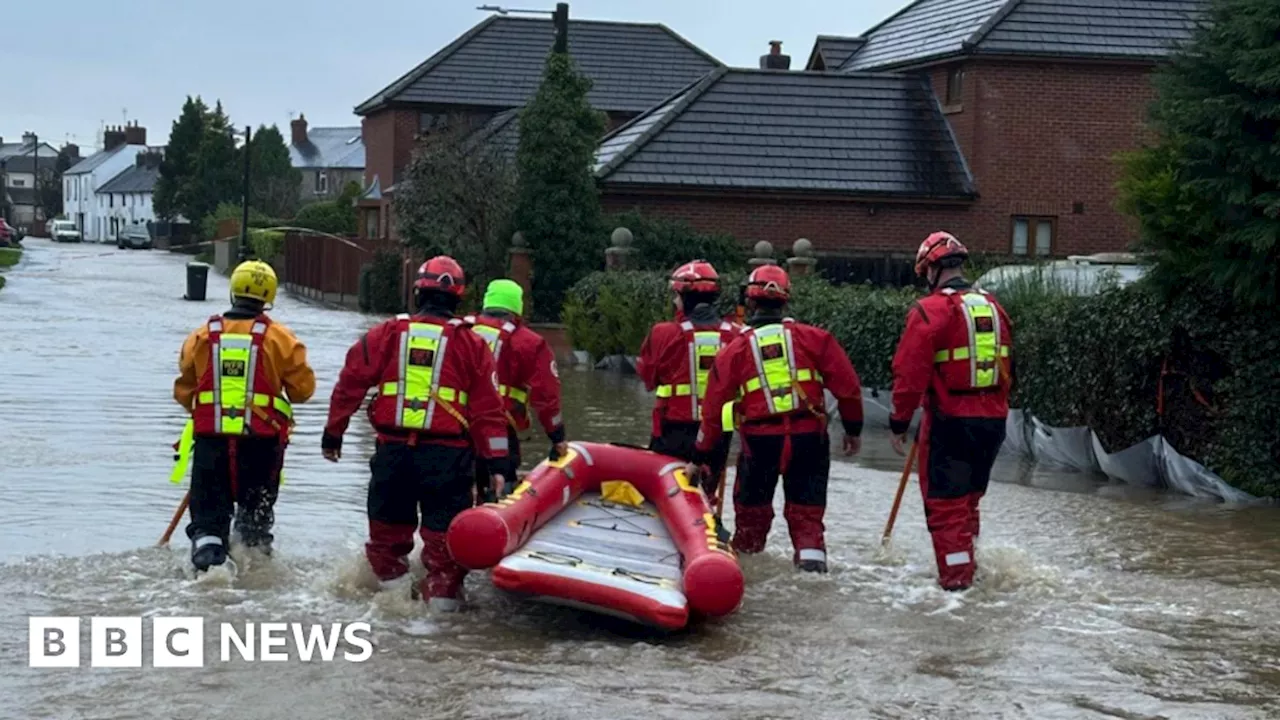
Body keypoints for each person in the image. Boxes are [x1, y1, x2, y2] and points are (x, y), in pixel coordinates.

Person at [321, 256, 510, 610]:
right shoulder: (472, 345)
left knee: (386, 541)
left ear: (417, 292)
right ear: (457, 298)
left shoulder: (387, 333)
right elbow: (489, 412)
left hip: (393, 455)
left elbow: (349, 384)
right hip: (447, 459)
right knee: (443, 547)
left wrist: (334, 434)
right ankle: (439, 615)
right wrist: (498, 465)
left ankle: (392, 603)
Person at [692, 264, 864, 573]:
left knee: (750, 518)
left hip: (759, 443)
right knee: (807, 517)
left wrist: (702, 454)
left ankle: (743, 573)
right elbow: (849, 389)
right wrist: (853, 429)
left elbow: (714, 411)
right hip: (809, 437)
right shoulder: (815, 339)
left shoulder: (735, 350)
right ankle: (813, 573)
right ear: (786, 299)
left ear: (750, 301)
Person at [889, 231, 1013, 592]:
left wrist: (899, 420)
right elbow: (1010, 365)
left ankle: (957, 585)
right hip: (993, 420)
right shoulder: (994, 307)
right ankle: (968, 566)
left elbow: (909, 372)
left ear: (930, 269)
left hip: (950, 420)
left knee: (945, 506)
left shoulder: (930, 311)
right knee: (968, 502)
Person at [173, 260, 316, 573]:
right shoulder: (283, 340)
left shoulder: (200, 337)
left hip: (211, 445)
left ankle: (209, 569)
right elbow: (303, 392)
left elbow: (184, 391)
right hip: (261, 448)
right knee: (254, 524)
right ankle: (254, 578)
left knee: (208, 522)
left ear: (233, 290)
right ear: (269, 295)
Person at [637, 260, 741, 498]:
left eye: (676, 295)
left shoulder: (664, 333)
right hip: (719, 433)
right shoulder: (736, 335)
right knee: (705, 497)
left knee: (665, 496)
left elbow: (648, 378)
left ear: (683, 295)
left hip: (673, 430)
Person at [463, 278, 567, 500]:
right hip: (500, 431)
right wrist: (557, 436)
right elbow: (547, 397)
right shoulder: (527, 343)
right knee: (500, 488)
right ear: (517, 309)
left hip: (454, 428)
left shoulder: (461, 331)